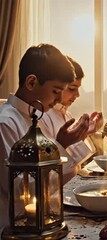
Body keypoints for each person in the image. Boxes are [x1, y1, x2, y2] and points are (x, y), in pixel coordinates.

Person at [0, 44, 88, 228]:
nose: (58, 99)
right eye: (56, 91)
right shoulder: (6, 123)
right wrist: (61, 145)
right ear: (31, 82)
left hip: (44, 218)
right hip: (16, 227)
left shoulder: (37, 116)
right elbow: (19, 190)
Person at [41, 56, 103, 168]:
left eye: (78, 89)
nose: (77, 95)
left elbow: (74, 163)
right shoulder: (43, 116)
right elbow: (51, 166)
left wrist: (84, 133)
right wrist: (61, 144)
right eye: (72, 88)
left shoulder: (67, 115)